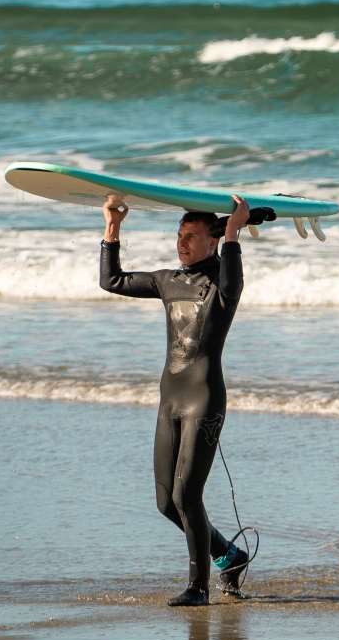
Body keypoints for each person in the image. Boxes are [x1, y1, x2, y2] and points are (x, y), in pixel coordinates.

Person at [99, 194, 251, 606]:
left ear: (213, 241)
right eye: (179, 235)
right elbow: (111, 281)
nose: (182, 242)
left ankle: (199, 589)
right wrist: (113, 228)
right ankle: (229, 556)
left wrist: (234, 231)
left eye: (192, 236)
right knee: (167, 502)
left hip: (204, 398)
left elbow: (235, 285)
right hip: (170, 400)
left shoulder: (222, 280)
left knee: (188, 497)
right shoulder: (168, 280)